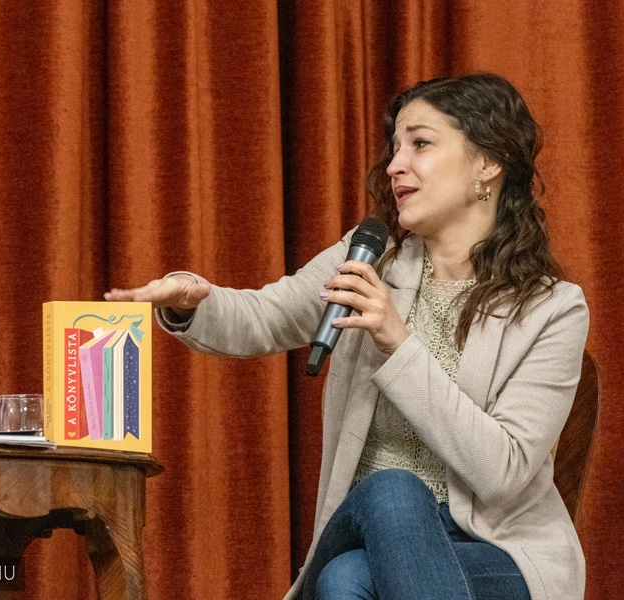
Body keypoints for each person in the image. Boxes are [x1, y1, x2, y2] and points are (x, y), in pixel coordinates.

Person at [106, 72, 589, 600]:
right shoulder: (369, 261)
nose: (395, 165)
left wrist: (398, 344)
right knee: (392, 492)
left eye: (420, 144)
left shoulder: (552, 309)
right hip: (370, 522)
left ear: (487, 163)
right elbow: (266, 315)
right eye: (395, 148)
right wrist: (192, 300)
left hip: (495, 549)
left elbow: (502, 472)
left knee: (346, 579)